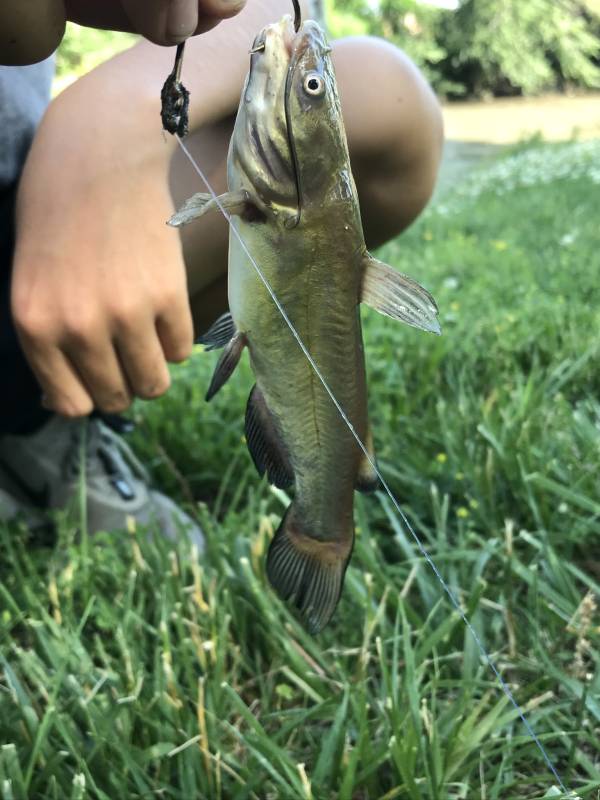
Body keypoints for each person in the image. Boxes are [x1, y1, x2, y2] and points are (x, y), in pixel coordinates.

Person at [0, 0, 443, 541]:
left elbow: (289, 11)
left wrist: (118, 116)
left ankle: (32, 427)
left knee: (380, 88)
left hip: (27, 205)